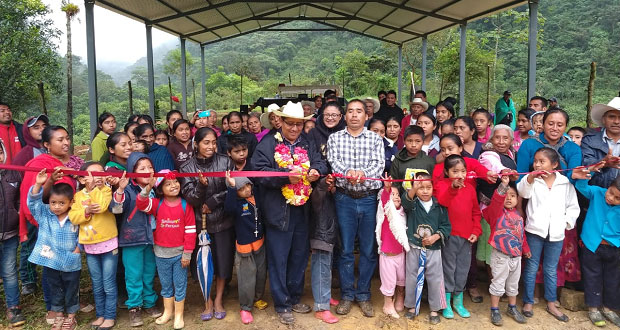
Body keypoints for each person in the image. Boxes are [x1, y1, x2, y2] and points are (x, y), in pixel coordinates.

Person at [252, 101, 325, 324]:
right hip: (278, 210)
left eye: (298, 125)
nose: (294, 129)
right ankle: (282, 303)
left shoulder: (307, 141)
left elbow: (321, 163)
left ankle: (294, 297)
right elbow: (258, 171)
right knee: (279, 258)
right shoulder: (267, 144)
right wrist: (285, 176)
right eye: (290, 124)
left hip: (302, 210)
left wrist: (315, 171)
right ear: (280, 122)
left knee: (299, 256)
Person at [327, 99, 384, 318]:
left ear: (366, 115)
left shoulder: (375, 138)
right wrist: (349, 172)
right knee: (346, 250)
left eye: (358, 111)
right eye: (350, 111)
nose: (354, 115)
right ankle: (348, 294)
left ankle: (364, 294)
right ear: (344, 116)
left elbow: (378, 165)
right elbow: (334, 161)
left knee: (369, 250)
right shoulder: (335, 138)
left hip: (369, 199)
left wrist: (362, 174)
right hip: (344, 199)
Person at [18, 126, 80, 311]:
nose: (66, 143)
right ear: (47, 144)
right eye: (60, 140)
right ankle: (53, 306)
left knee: (70, 266)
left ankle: (71, 305)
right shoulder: (40, 163)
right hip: (49, 219)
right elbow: (37, 199)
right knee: (51, 264)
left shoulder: (76, 162)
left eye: (67, 138)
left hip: (71, 219)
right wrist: (51, 180)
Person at [517, 148, 580, 322]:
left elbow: (573, 207)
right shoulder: (533, 181)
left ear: (554, 164)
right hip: (534, 231)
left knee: (550, 269)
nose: (537, 164)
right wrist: (530, 177)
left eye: (541, 161)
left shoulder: (564, 183)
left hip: (557, 234)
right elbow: (523, 192)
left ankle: (551, 302)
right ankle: (528, 301)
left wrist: (565, 223)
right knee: (531, 267)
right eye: (535, 161)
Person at [179, 127, 232, 321]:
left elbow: (232, 189)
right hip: (199, 224)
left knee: (223, 262)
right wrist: (201, 187)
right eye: (206, 142)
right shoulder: (186, 168)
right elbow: (191, 199)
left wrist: (212, 201)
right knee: (203, 264)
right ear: (196, 144)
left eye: (213, 142)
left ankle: (218, 299)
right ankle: (207, 301)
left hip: (223, 220)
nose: (210, 146)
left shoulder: (225, 162)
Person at [136, 170, 196, 330]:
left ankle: (179, 315)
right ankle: (167, 312)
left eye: (175, 182)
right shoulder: (157, 203)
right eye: (168, 184)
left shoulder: (186, 205)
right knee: (166, 285)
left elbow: (190, 231)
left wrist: (187, 254)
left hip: (179, 255)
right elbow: (141, 204)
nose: (173, 185)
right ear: (160, 189)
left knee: (180, 284)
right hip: (161, 254)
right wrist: (147, 188)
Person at [109, 153, 162, 327]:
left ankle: (149, 302)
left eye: (150, 167)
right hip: (132, 239)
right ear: (132, 171)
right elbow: (116, 209)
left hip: (151, 238)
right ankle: (134, 307)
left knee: (149, 271)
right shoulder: (129, 190)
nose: (148, 171)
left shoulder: (157, 188)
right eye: (142, 168)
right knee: (133, 274)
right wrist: (120, 190)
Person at [27, 170, 80, 330]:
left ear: (71, 202)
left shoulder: (76, 217)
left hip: (71, 261)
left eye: (61, 203)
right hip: (50, 261)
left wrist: (78, 250)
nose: (56, 207)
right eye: (53, 203)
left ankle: (71, 316)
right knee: (54, 287)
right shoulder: (45, 215)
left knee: (72, 288)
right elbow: (33, 204)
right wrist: (38, 184)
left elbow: (85, 234)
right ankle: (58, 315)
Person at [69, 162, 118, 330]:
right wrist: (86, 211)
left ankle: (110, 316)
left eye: (101, 173)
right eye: (93, 174)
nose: (99, 177)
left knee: (108, 282)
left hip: (109, 244)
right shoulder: (78, 196)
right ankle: (101, 315)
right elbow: (74, 217)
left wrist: (93, 191)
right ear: (82, 179)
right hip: (90, 247)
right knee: (97, 283)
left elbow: (102, 207)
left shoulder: (105, 191)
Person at [435, 154, 482, 319]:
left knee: (463, 268)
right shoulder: (441, 185)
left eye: (463, 171)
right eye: (455, 171)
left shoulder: (470, 188)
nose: (460, 175)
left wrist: (476, 231)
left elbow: (476, 212)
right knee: (448, 268)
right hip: (448, 236)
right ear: (447, 172)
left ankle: (458, 301)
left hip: (466, 237)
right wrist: (453, 188)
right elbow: (442, 202)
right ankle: (446, 301)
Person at [572, 166, 620, 327]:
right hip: (591, 246)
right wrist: (594, 168)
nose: (611, 198)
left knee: (612, 279)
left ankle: (609, 308)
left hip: (614, 249)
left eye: (617, 198)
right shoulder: (598, 193)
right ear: (609, 187)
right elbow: (581, 186)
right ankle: (593, 308)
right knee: (592, 277)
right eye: (611, 192)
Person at [401, 171, 450, 324]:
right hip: (415, 247)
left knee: (435, 278)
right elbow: (405, 201)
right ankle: (411, 306)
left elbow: (446, 226)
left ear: (433, 188)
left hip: (434, 249)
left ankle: (434, 308)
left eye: (428, 187)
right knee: (412, 276)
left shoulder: (439, 206)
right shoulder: (413, 204)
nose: (425, 191)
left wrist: (435, 236)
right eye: (421, 188)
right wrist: (414, 188)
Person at [483, 174, 529, 326]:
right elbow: (496, 201)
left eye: (513, 195)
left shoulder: (519, 216)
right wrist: (503, 185)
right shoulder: (495, 213)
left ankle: (512, 307)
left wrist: (525, 249)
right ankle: (494, 309)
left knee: (513, 284)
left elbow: (521, 235)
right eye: (506, 195)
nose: (509, 198)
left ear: (518, 199)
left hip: (516, 257)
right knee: (498, 283)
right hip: (500, 256)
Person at [224, 173, 267, 325]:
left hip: (260, 243)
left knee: (261, 273)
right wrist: (231, 187)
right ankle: (245, 307)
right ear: (236, 192)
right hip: (245, 246)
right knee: (247, 277)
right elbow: (228, 208)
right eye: (241, 188)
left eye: (248, 185)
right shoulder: (235, 204)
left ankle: (257, 298)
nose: (246, 190)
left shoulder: (257, 197)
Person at [516, 109, 582, 183]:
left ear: (565, 127)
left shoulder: (573, 148)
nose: (554, 128)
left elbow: (573, 175)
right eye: (550, 124)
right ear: (543, 124)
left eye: (560, 125)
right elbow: (521, 175)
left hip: (564, 191)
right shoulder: (528, 144)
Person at [0, 141, 26, 327]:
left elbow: (19, 198)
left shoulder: (13, 173)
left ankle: (13, 307)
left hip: (10, 232)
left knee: (9, 271)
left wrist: (17, 213)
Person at [308, 175, 340, 324]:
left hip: (328, 235)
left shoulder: (328, 194)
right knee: (321, 269)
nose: (331, 185)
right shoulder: (317, 193)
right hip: (321, 236)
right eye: (328, 182)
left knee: (326, 269)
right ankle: (321, 307)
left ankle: (325, 297)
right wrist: (322, 186)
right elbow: (317, 197)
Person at [375, 182, 409, 319]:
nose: (396, 197)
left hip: (402, 254)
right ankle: (387, 304)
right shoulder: (386, 211)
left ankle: (400, 297)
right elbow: (385, 200)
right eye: (392, 195)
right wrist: (387, 189)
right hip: (388, 255)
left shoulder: (403, 212)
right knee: (389, 281)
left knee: (402, 279)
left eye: (398, 195)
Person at [582, 97, 620, 188]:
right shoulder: (589, 140)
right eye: (611, 117)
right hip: (595, 195)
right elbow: (585, 164)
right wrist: (603, 163)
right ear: (603, 119)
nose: (616, 122)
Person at [390, 125, 435, 195]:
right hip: (403, 200)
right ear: (404, 141)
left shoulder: (429, 161)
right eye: (410, 141)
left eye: (417, 141)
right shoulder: (398, 160)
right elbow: (394, 183)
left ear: (423, 142)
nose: (413, 145)